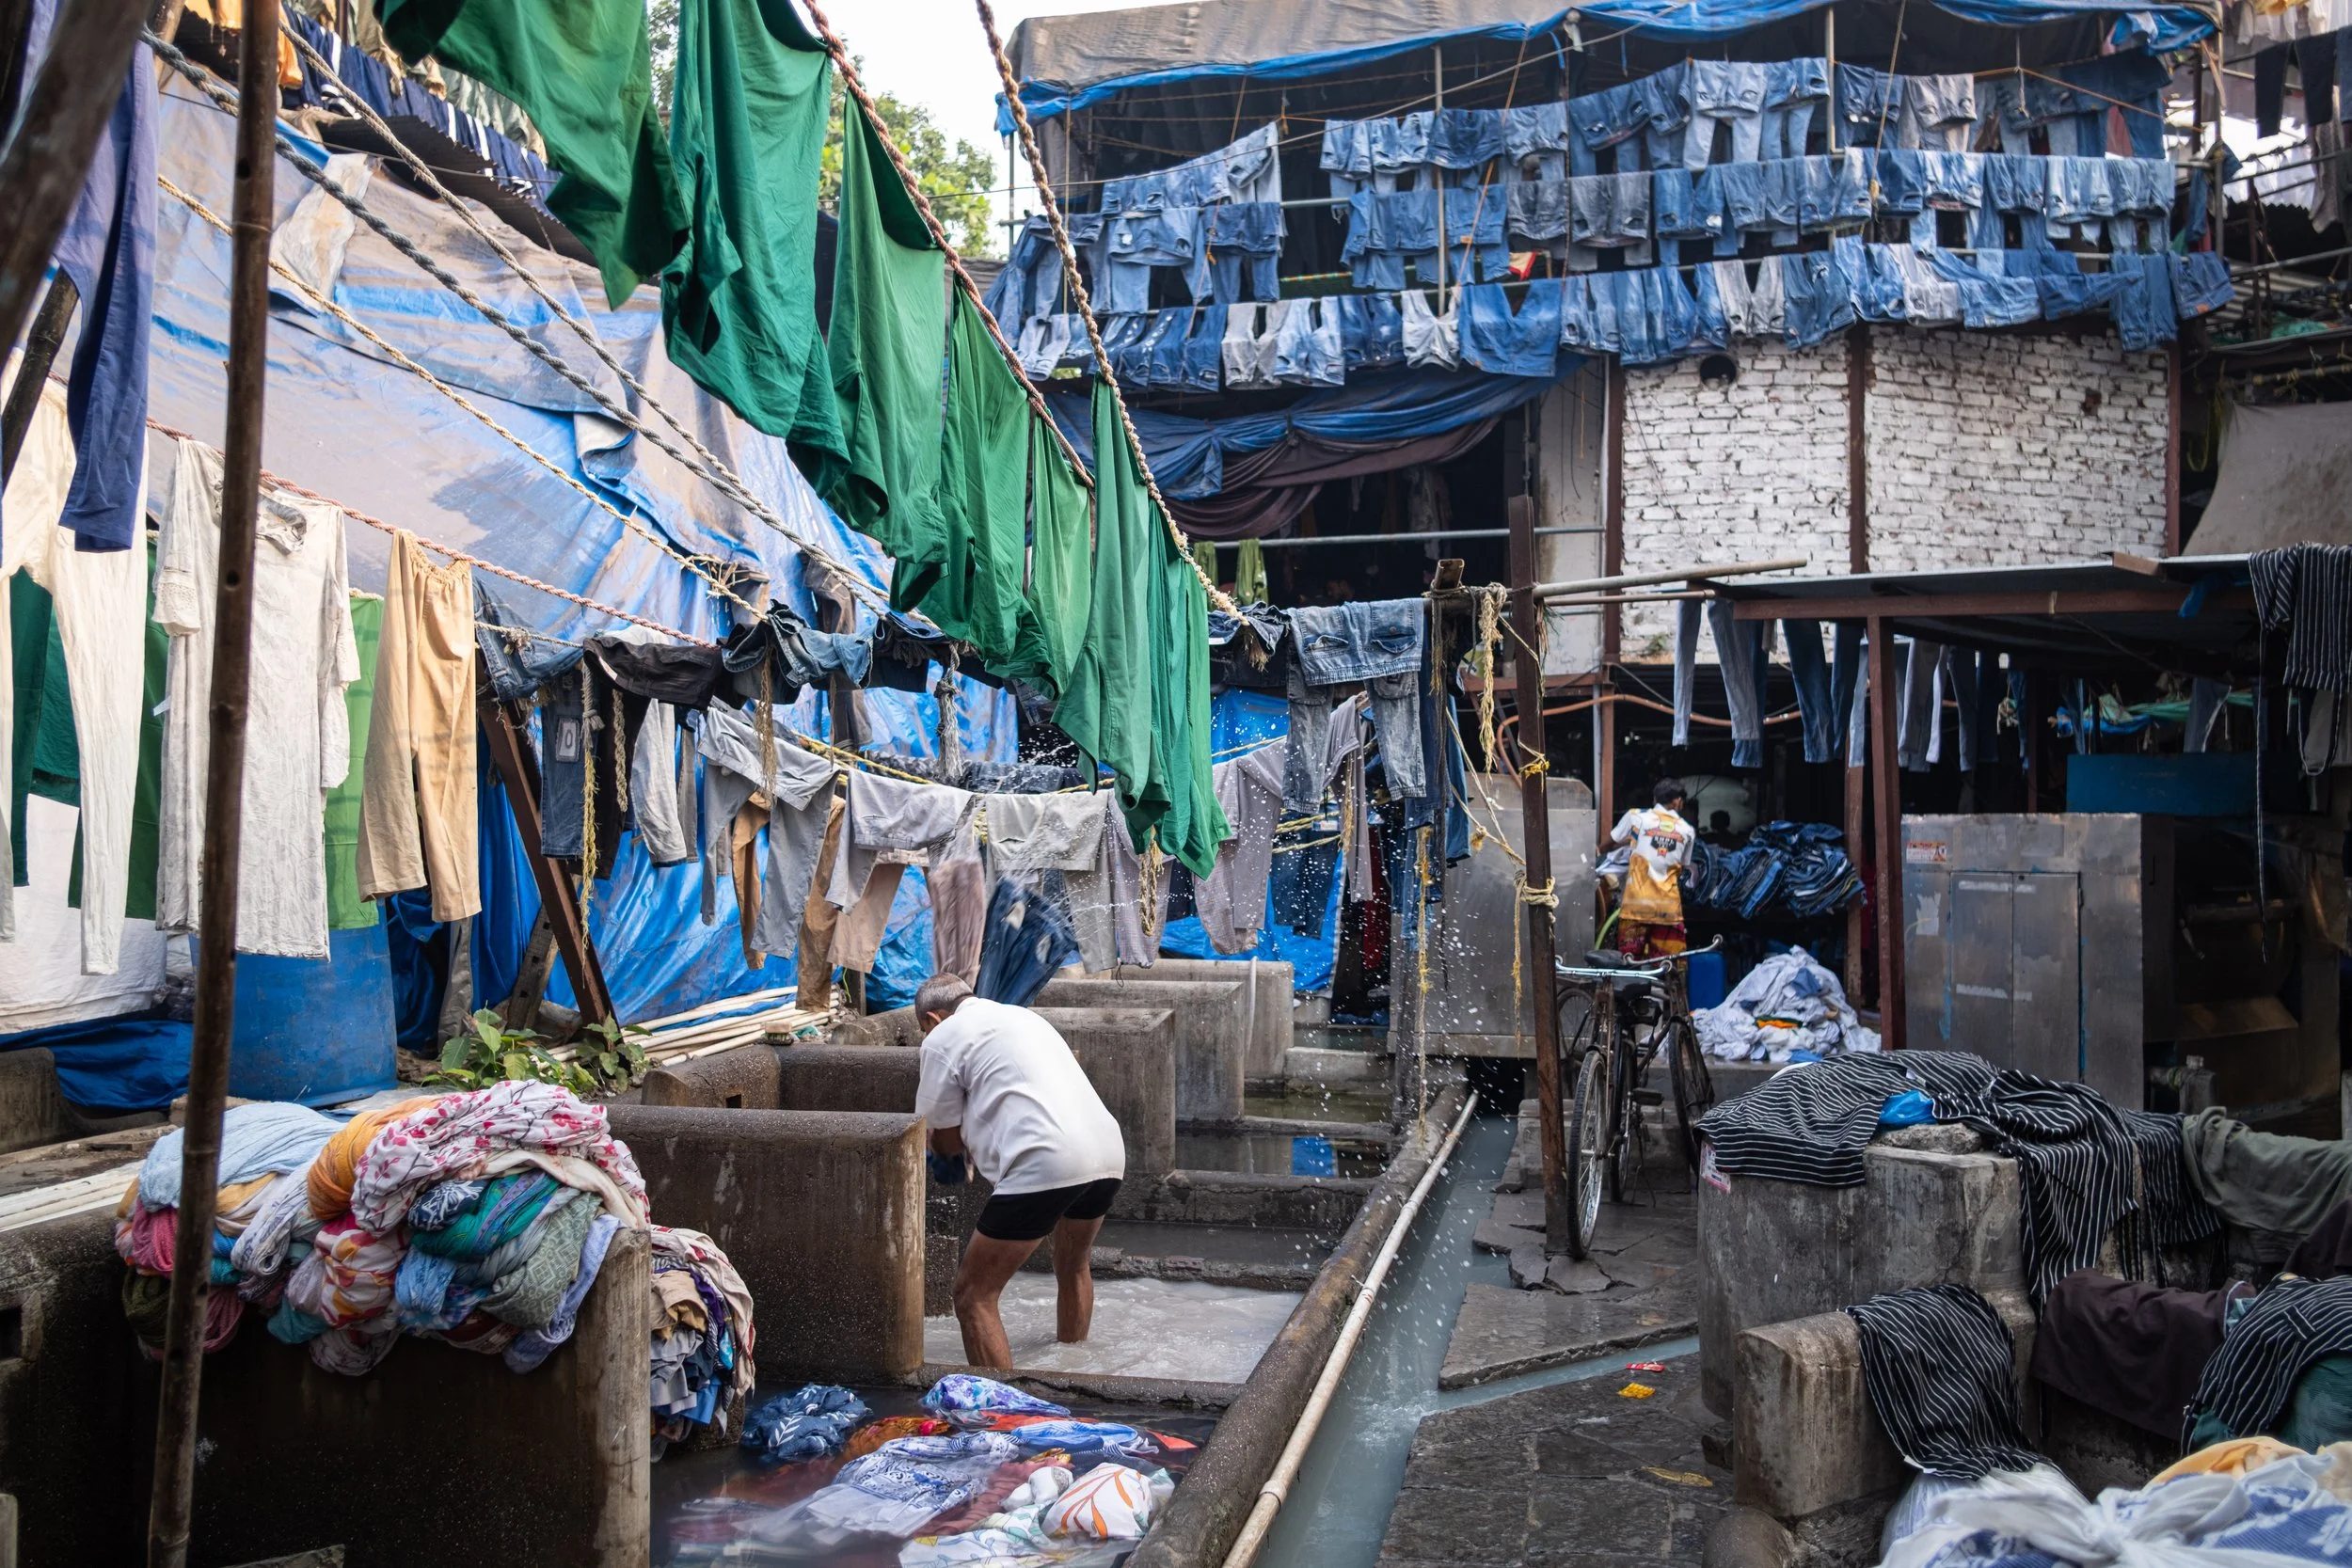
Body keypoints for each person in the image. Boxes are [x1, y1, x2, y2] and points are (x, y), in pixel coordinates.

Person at [914, 974, 1126, 1370]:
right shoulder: (1023, 1017)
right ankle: (1074, 1370)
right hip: (1108, 1151)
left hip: (1043, 1160)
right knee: (1073, 1263)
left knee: (973, 1294)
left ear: (932, 1019)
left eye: (922, 1031)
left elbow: (943, 1141)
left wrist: (946, 1166)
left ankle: (1004, 1420)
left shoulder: (941, 1038)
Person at [1610, 778, 1695, 959]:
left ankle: (1631, 988)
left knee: (1629, 963)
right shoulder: (1687, 830)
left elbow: (1614, 840)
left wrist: (1598, 850)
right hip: (1668, 909)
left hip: (1636, 907)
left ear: (1655, 799)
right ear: (1677, 801)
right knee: (1671, 966)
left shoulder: (1636, 817)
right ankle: (1673, 989)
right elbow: (1683, 863)